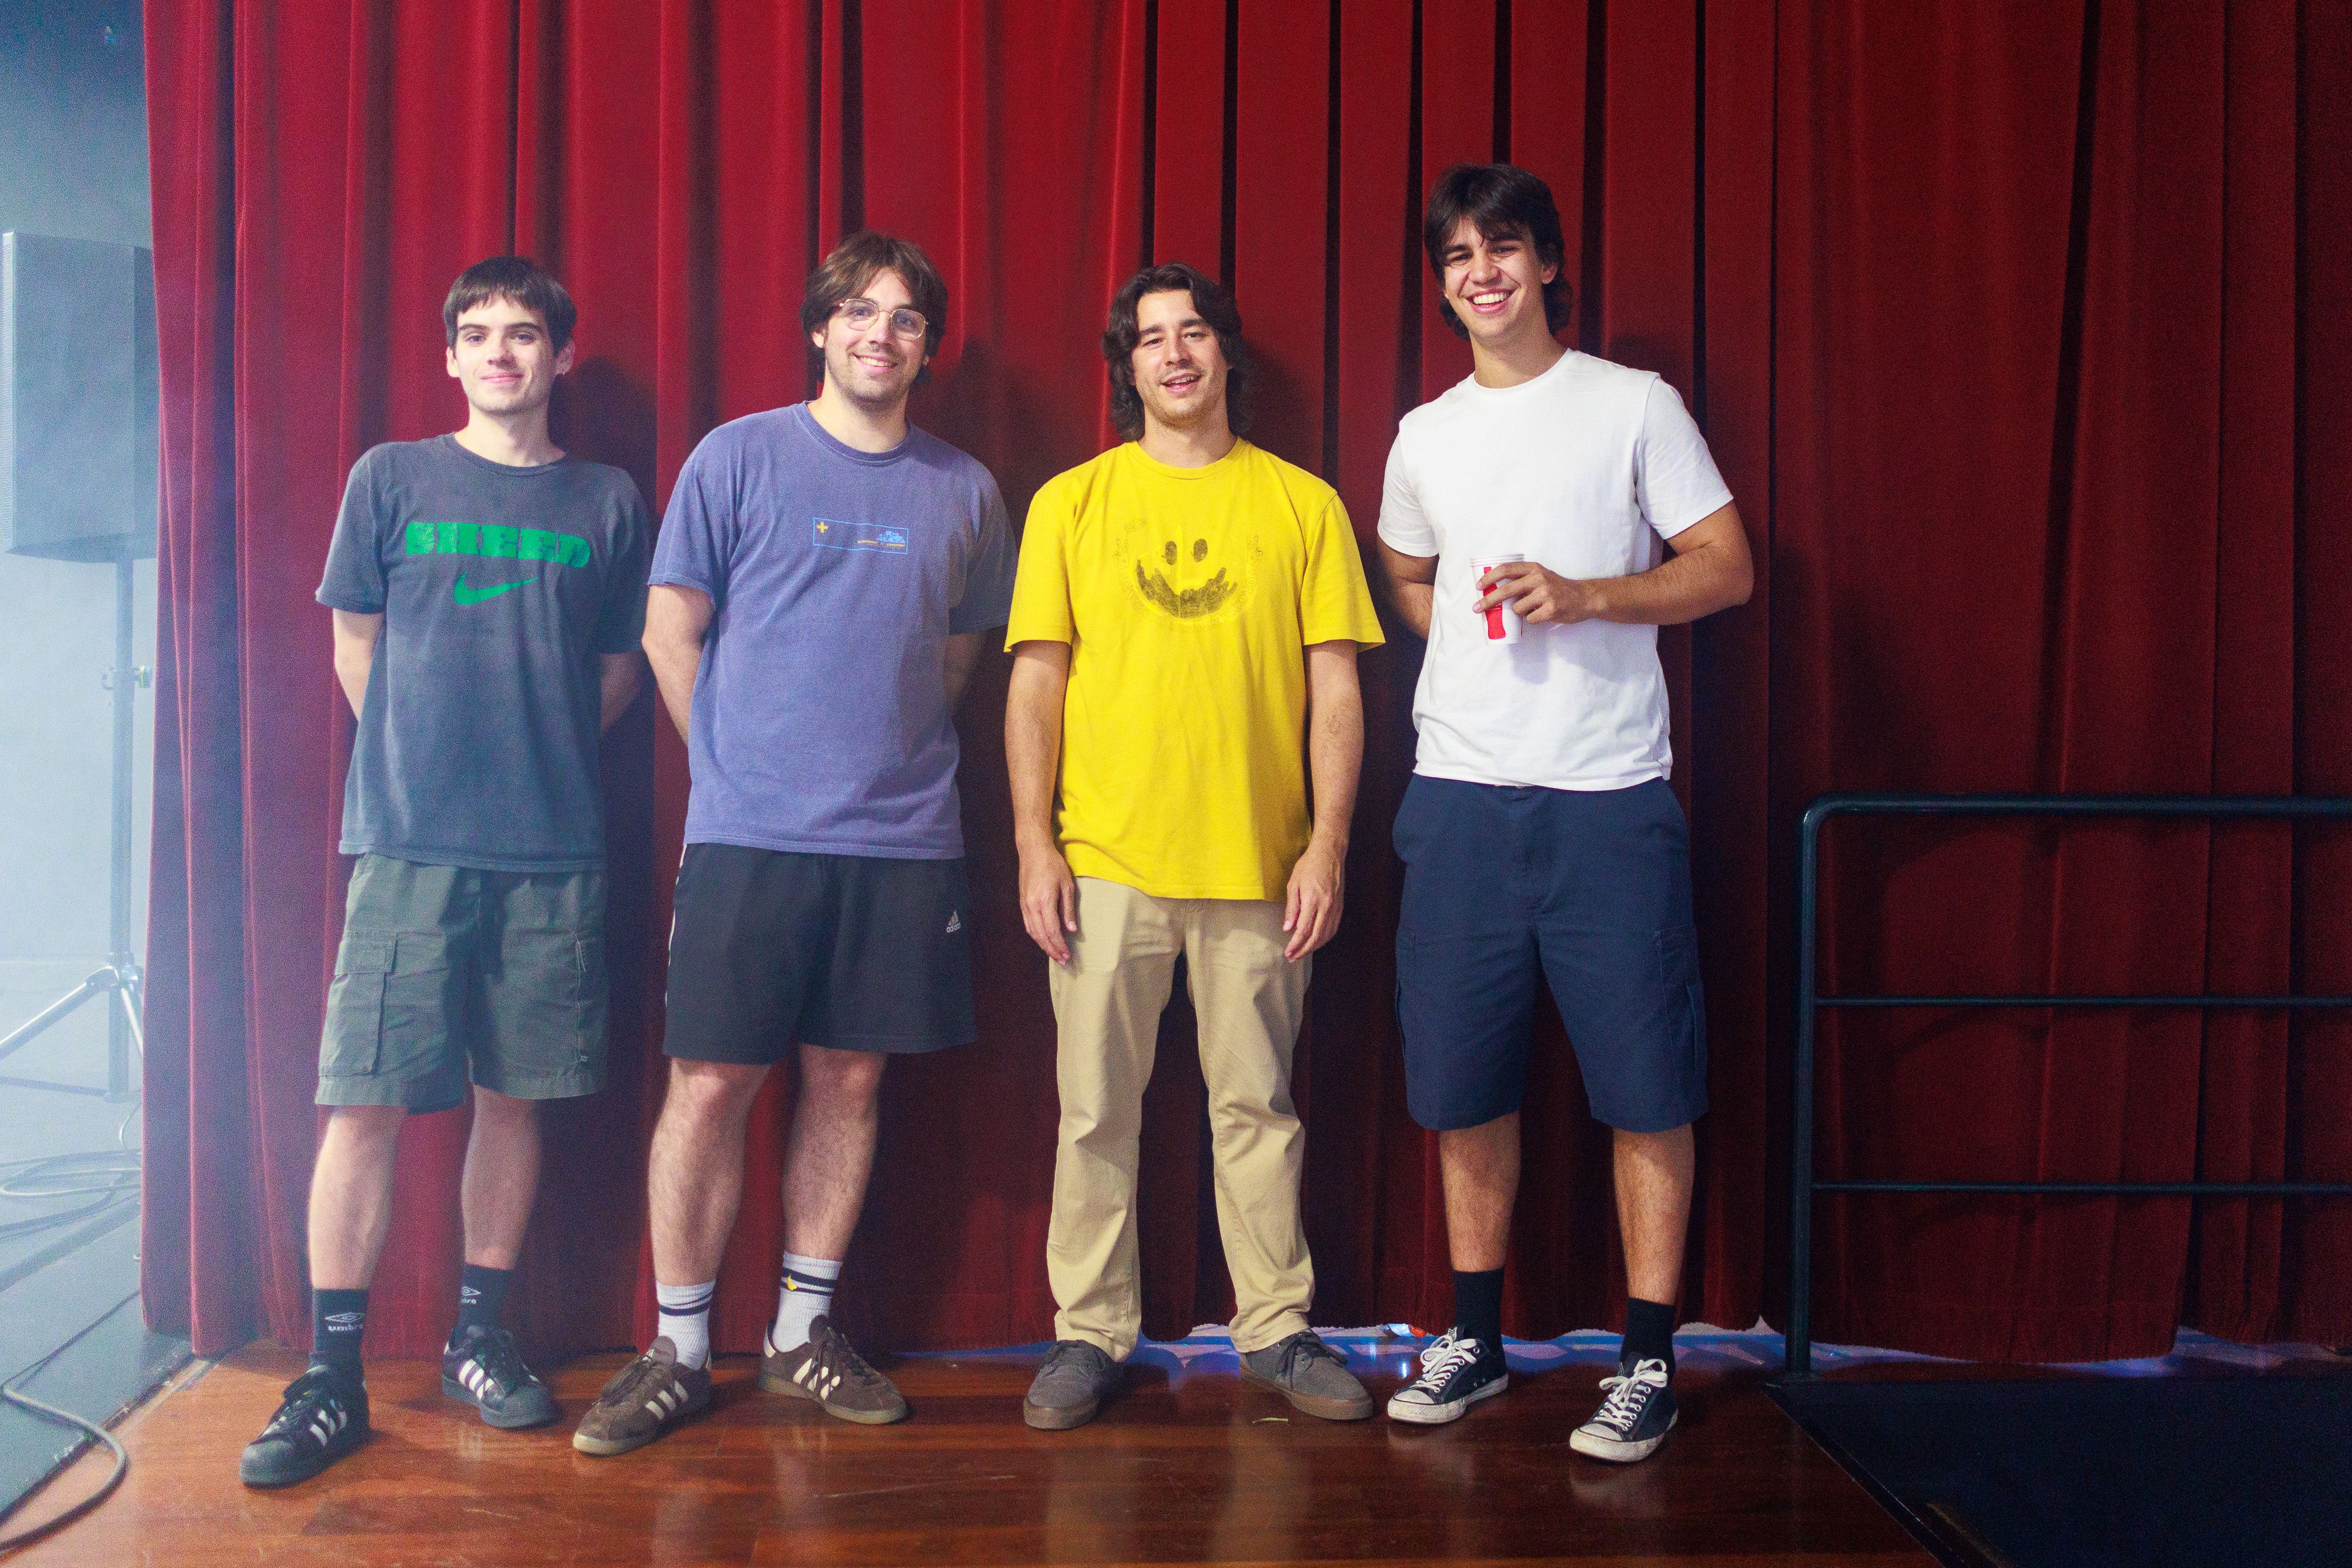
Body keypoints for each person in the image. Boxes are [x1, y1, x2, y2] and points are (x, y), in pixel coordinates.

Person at [572, 232, 1015, 1455]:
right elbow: (672, 633)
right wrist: (731, 766)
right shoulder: (737, 457)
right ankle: (674, 1346)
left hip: (901, 841)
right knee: (710, 1081)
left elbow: (962, 654)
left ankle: (801, 1330)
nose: (882, 333)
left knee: (851, 1077)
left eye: (907, 318)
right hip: (749, 832)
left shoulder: (964, 489)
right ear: (820, 328)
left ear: (927, 345)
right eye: (859, 311)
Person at [241, 257, 651, 1487]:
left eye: (524, 334)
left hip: (552, 848)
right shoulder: (392, 477)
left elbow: (624, 665)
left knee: (513, 1097)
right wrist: (426, 766)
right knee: (362, 1102)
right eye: (477, 334)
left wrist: (533, 749)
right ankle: (332, 1372)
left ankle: (479, 1332)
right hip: (409, 845)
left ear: (561, 356)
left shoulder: (607, 498)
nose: (501, 354)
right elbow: (352, 641)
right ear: (450, 357)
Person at [1374, 163, 1753, 1463]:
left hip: (1606, 800)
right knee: (1462, 1081)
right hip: (1461, 797)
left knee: (1647, 1087)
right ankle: (1474, 1341)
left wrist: (1587, 596)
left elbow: (1725, 564)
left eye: (1502, 248)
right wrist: (1461, 642)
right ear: (1441, 285)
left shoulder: (1630, 405)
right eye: (1457, 256)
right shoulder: (1423, 431)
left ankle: (1646, 1356)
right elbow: (1405, 569)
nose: (1480, 271)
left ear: (1543, 263)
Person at [1004, 262, 1386, 1431]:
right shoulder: (1070, 503)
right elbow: (1033, 687)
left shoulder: (1302, 505)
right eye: (1150, 339)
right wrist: (1032, 843)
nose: (1174, 355)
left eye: (1194, 334)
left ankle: (1272, 1323)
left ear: (1226, 354)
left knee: (1257, 1108)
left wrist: (1325, 844)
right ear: (1126, 368)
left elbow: (1336, 691)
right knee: (1091, 1113)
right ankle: (1089, 1330)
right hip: (1106, 862)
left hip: (1261, 872)